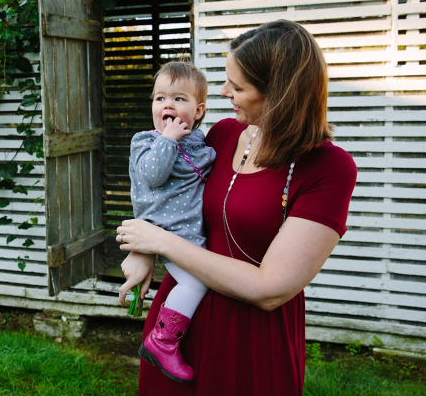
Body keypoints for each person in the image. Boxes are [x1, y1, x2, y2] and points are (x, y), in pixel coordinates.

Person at [116, 19, 357, 395]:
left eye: (237, 85)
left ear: (278, 93)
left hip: (252, 334)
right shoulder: (223, 135)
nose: (225, 92)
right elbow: (163, 194)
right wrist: (142, 249)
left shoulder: (328, 168)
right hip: (180, 321)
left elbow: (270, 288)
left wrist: (158, 243)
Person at [123, 62, 215, 383]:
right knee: (195, 282)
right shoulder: (145, 141)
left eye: (179, 99)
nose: (167, 106)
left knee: (197, 281)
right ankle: (163, 341)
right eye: (160, 98)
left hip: (189, 232)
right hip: (165, 231)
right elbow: (153, 174)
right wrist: (169, 139)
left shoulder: (201, 146)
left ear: (198, 110)